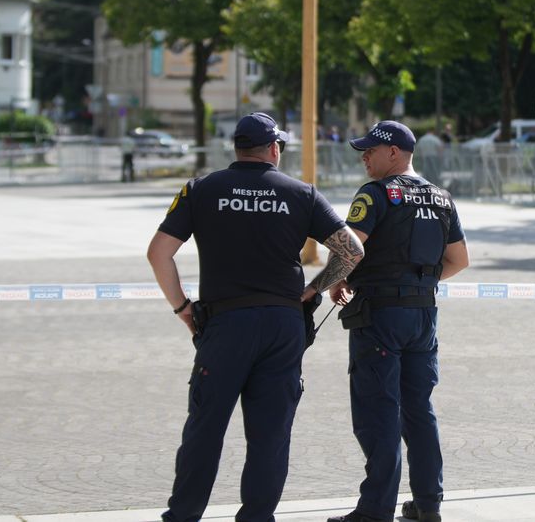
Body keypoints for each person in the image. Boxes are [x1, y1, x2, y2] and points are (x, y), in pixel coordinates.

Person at [147, 112, 364, 522]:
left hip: (226, 325)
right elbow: (352, 250)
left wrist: (182, 308)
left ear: (237, 148)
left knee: (205, 428)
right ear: (274, 149)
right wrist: (316, 288)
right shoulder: (302, 193)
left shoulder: (201, 190)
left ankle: (183, 516)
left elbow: (159, 252)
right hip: (283, 326)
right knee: (270, 435)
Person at [326, 120, 470, 522]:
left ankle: (375, 510)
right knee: (419, 410)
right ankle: (428, 505)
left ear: (394, 153)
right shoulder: (442, 198)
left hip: (380, 319)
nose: (364, 156)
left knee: (378, 411)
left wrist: (331, 282)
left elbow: (349, 249)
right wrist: (415, 283)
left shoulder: (375, 195)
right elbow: (459, 261)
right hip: (423, 316)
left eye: (370, 150)